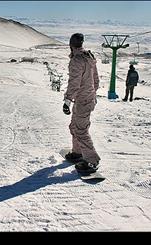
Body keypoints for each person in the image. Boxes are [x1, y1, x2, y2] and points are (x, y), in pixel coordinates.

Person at [62, 33, 101, 174]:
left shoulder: (77, 60)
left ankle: (92, 161)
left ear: (71, 45)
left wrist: (67, 101)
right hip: (86, 98)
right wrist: (91, 93)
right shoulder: (89, 57)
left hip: (83, 100)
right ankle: (78, 152)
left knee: (81, 130)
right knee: (74, 126)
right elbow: (95, 80)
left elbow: (74, 83)